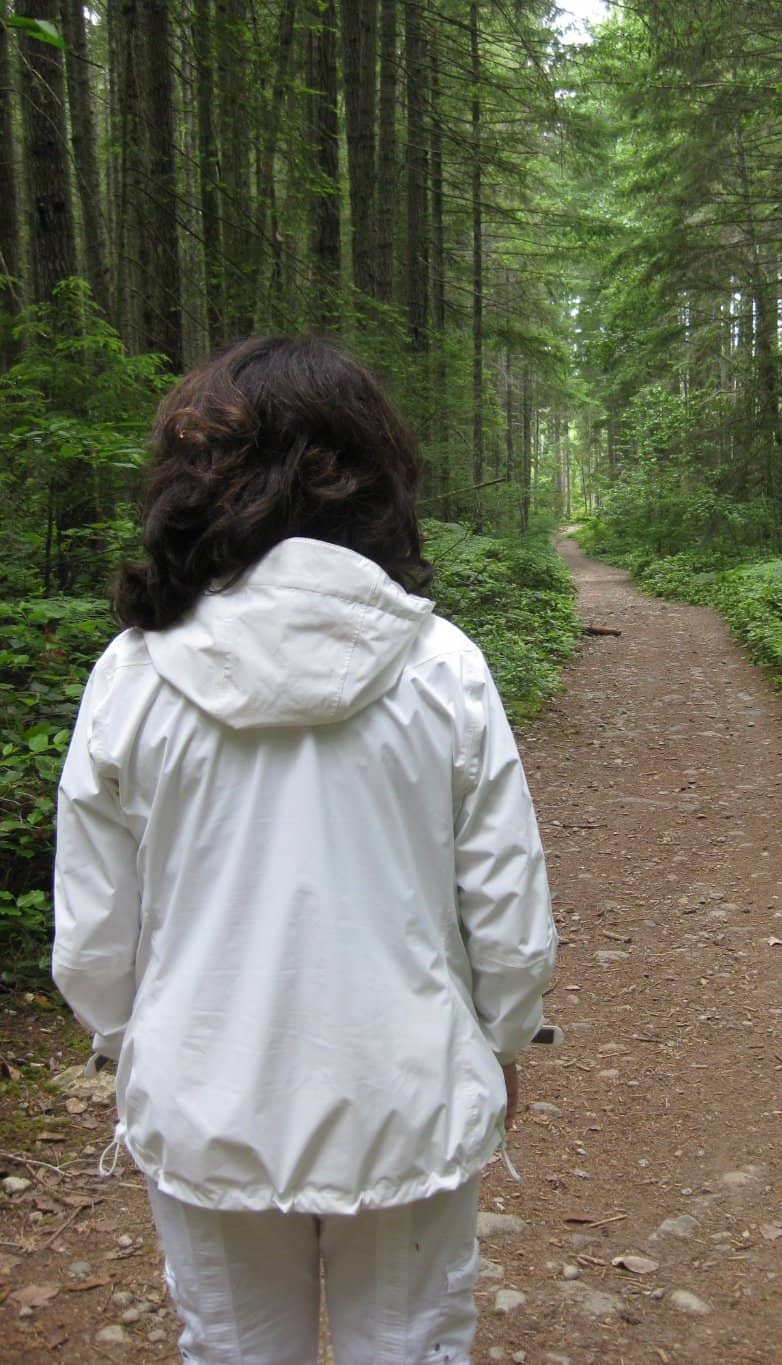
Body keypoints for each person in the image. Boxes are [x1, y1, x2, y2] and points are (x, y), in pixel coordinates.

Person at [52, 336, 557, 1365]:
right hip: (406, 1097)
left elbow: (94, 931)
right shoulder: (438, 664)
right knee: (413, 1348)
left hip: (204, 1096)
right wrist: (502, 1040)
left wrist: (126, 1039)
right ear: (369, 474)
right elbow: (505, 905)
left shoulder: (134, 674)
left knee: (231, 1349)